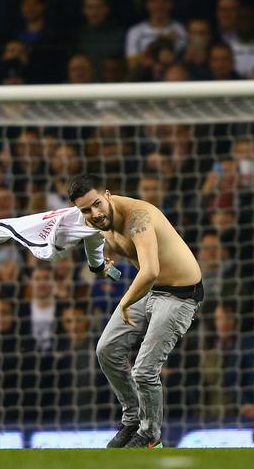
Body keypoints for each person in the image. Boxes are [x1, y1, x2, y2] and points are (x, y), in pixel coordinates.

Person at [67, 173, 203, 448]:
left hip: (179, 295)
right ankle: (132, 420)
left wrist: (124, 302)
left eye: (96, 204)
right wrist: (102, 264)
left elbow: (151, 270)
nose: (94, 213)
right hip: (152, 291)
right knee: (106, 349)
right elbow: (97, 245)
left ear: (107, 194)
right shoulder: (94, 221)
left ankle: (150, 436)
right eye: (85, 210)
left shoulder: (138, 217)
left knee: (144, 370)